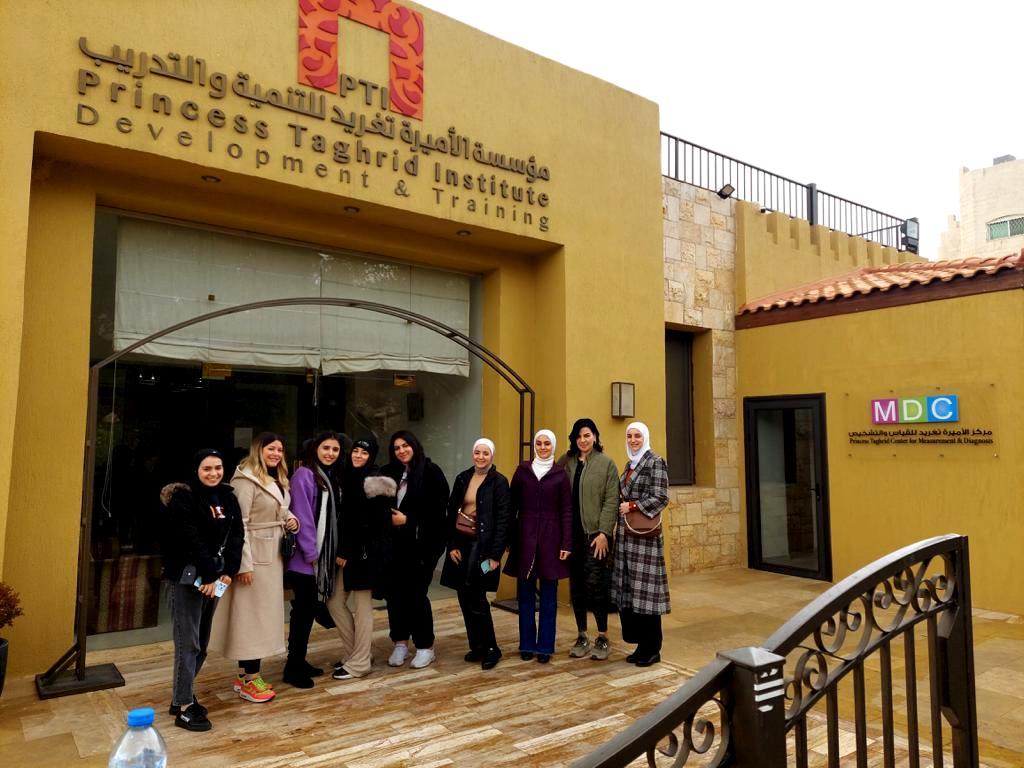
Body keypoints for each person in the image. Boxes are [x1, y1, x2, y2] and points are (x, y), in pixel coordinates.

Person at [209, 432, 299, 702]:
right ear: (258, 449)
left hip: (271, 556)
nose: (276, 454)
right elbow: (239, 524)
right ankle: (250, 678)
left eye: (280, 450)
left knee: (258, 616)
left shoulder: (275, 478)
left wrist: (291, 519)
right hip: (254, 560)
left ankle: (244, 676)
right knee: (252, 618)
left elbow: (278, 508)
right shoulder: (245, 480)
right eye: (271, 449)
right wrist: (244, 565)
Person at [160, 449, 244, 732]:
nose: (213, 473)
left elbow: (237, 536)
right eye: (207, 468)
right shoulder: (183, 498)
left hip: (216, 579)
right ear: (196, 470)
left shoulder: (228, 497)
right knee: (189, 643)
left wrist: (228, 571)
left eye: (218, 468)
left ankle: (180, 695)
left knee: (202, 643)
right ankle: (184, 705)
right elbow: (188, 538)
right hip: (188, 578)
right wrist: (209, 573)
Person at [440, 438, 512, 670]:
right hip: (461, 544)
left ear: (492, 456)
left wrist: (495, 556)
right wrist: (452, 544)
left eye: (485, 453)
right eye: (477, 452)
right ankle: (477, 646)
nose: (481, 457)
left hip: (483, 548)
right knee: (464, 595)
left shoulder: (499, 482)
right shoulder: (463, 478)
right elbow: (451, 512)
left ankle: (491, 648)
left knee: (478, 597)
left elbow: (504, 521)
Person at [327, 435, 395, 680]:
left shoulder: (375, 481)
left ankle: (360, 663)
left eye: (364, 453)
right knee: (334, 601)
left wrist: (345, 550)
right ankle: (357, 653)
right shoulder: (349, 476)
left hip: (367, 554)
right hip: (352, 552)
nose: (358, 455)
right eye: (356, 450)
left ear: (372, 456)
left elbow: (369, 523)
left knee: (363, 608)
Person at [381, 430, 450, 669]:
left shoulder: (431, 472)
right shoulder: (387, 472)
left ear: (415, 445)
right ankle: (400, 642)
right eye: (397, 447)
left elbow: (439, 513)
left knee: (416, 595)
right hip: (393, 547)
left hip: (422, 547)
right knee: (394, 596)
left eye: (405, 445)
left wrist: (408, 520)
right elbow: (373, 504)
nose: (401, 450)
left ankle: (425, 646)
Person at [504, 429, 572, 663]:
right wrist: (509, 538)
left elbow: (567, 511)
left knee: (549, 596)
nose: (543, 447)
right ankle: (526, 644)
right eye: (539, 443)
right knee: (524, 594)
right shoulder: (522, 471)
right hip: (525, 537)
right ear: (534, 446)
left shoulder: (560, 475)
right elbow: (511, 506)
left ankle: (545, 647)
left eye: (547, 444)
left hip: (552, 539)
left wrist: (566, 542)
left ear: (553, 446)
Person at [282, 432, 343, 688]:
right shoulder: (304, 475)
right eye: (326, 448)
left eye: (335, 449)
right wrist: (311, 554)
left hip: (318, 558)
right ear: (315, 449)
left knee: (305, 612)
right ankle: (292, 666)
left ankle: (299, 660)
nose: (330, 453)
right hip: (305, 559)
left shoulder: (328, 477)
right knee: (302, 612)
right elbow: (303, 516)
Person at [557, 418, 619, 661]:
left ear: (595, 436)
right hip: (571, 536)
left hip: (595, 536)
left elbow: (611, 500)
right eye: (579, 436)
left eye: (587, 435)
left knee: (596, 585)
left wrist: (604, 532)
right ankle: (582, 635)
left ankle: (603, 637)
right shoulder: (567, 462)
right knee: (578, 587)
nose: (583, 440)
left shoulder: (606, 464)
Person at [612, 421, 670, 667]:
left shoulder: (655, 462)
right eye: (629, 436)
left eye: (637, 436)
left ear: (645, 437)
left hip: (645, 539)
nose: (633, 440)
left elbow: (661, 497)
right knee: (632, 593)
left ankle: (652, 649)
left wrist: (633, 505)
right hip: (626, 538)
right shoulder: (630, 465)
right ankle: (641, 646)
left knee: (647, 594)